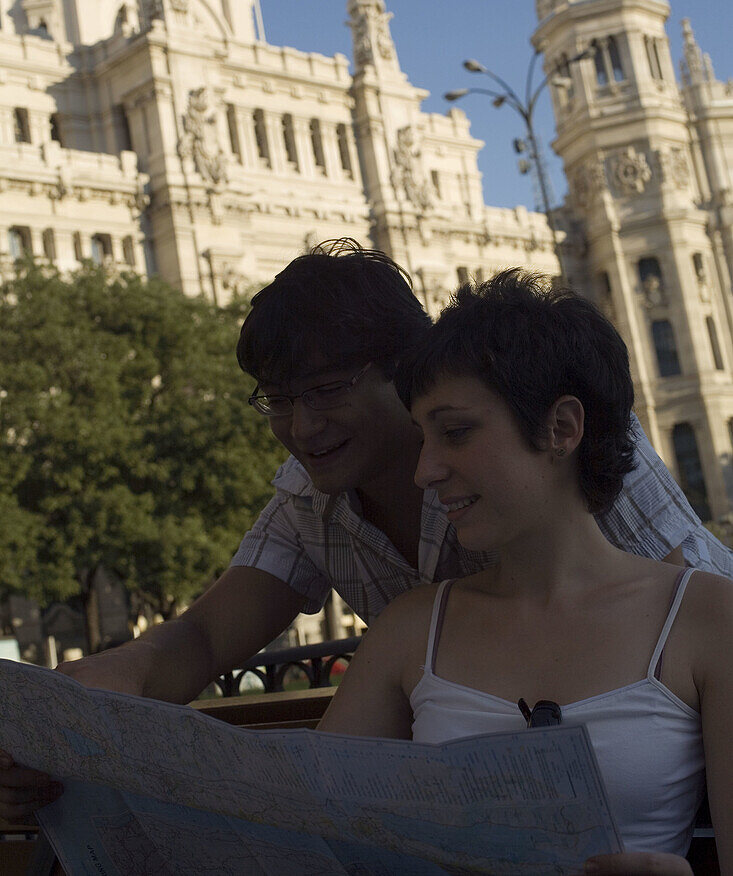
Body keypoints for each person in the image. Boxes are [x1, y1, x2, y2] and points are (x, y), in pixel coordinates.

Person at [1, 242, 730, 833]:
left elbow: (693, 618)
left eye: (326, 390)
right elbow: (201, 642)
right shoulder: (319, 512)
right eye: (278, 399)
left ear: (404, 374)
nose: (301, 426)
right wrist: (80, 710)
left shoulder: (562, 446)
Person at [316, 270, 732, 874]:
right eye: (422, 439)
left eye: (455, 433)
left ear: (562, 428)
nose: (424, 471)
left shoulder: (708, 618)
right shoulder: (412, 629)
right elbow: (307, 830)